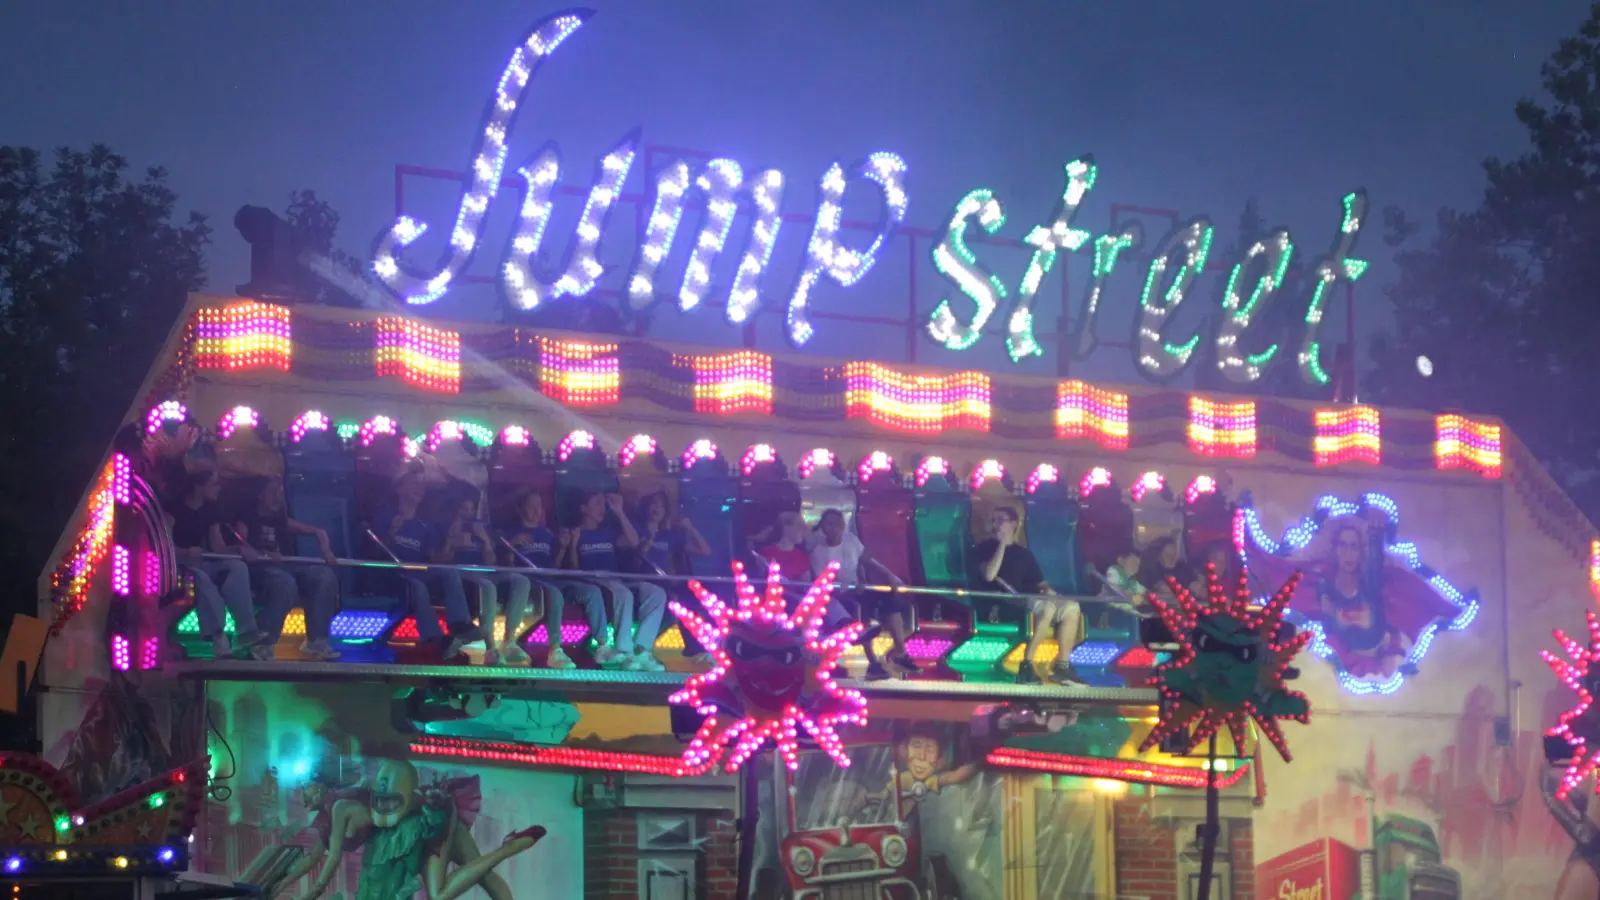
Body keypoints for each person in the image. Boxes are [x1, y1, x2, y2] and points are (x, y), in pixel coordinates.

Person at [373, 470, 485, 661]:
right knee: (416, 587)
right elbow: (375, 551)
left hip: (418, 573)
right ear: (399, 489)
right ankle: (434, 639)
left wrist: (451, 542)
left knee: (449, 573)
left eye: (421, 485)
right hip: (389, 575)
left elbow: (436, 560)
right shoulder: (385, 516)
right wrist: (392, 530)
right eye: (414, 483)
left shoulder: (425, 526)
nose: (420, 488)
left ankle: (460, 624)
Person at [232, 476, 342, 661]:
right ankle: (263, 642)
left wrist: (327, 551)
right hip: (259, 570)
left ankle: (317, 641)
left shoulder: (280, 520)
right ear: (260, 495)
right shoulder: (247, 517)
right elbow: (239, 544)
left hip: (284, 566)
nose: (277, 497)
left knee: (323, 575)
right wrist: (262, 554)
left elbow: (318, 531)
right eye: (272, 492)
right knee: (286, 583)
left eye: (280, 492)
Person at [167, 469, 272, 660]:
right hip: (176, 564)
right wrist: (186, 551)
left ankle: (246, 631)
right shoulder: (174, 508)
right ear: (199, 487)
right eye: (214, 484)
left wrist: (240, 549)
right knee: (201, 578)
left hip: (202, 560)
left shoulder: (210, 509)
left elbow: (218, 548)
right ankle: (217, 635)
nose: (218, 488)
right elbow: (162, 544)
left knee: (237, 567)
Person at [972, 507, 1083, 686]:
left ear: (1014, 523)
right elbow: (989, 575)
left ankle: (1062, 667)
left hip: (1028, 599)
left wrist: (1054, 595)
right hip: (1001, 602)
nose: (995, 525)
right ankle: (1026, 665)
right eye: (993, 520)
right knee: (1047, 608)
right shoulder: (984, 548)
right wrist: (1002, 545)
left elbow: (1041, 583)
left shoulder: (1024, 554)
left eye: (1000, 520)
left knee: (1071, 607)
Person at [561, 491, 667, 672]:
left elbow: (634, 542)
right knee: (622, 593)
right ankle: (623, 650)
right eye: (597, 504)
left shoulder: (608, 533)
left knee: (657, 593)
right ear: (584, 508)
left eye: (604, 504)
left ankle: (641, 650)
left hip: (617, 579)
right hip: (593, 580)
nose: (602, 508)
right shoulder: (576, 533)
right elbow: (574, 568)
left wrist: (619, 512)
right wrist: (573, 543)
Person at [809, 508, 917, 680]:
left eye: (838, 524)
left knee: (889, 598)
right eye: (830, 524)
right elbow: (822, 584)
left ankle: (900, 653)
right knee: (860, 608)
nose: (834, 528)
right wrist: (846, 590)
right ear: (823, 527)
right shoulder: (818, 553)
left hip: (858, 588)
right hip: (838, 596)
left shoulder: (850, 540)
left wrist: (890, 576)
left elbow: (867, 560)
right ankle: (872, 661)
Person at [440, 497, 533, 666]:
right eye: (464, 510)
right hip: (462, 571)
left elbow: (491, 561)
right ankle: (491, 647)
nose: (468, 514)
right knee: (487, 586)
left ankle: (510, 641)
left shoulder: (482, 527)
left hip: (485, 570)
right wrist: (451, 541)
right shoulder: (447, 527)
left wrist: (484, 540)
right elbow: (442, 561)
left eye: (471, 510)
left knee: (521, 580)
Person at [632, 491, 712, 656]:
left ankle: (698, 649)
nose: (657, 509)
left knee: (693, 600)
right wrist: (648, 540)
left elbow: (705, 551)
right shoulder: (636, 531)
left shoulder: (670, 536)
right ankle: (640, 650)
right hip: (643, 581)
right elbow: (634, 562)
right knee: (671, 601)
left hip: (666, 583)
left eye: (661, 506)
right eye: (654, 504)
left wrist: (690, 529)